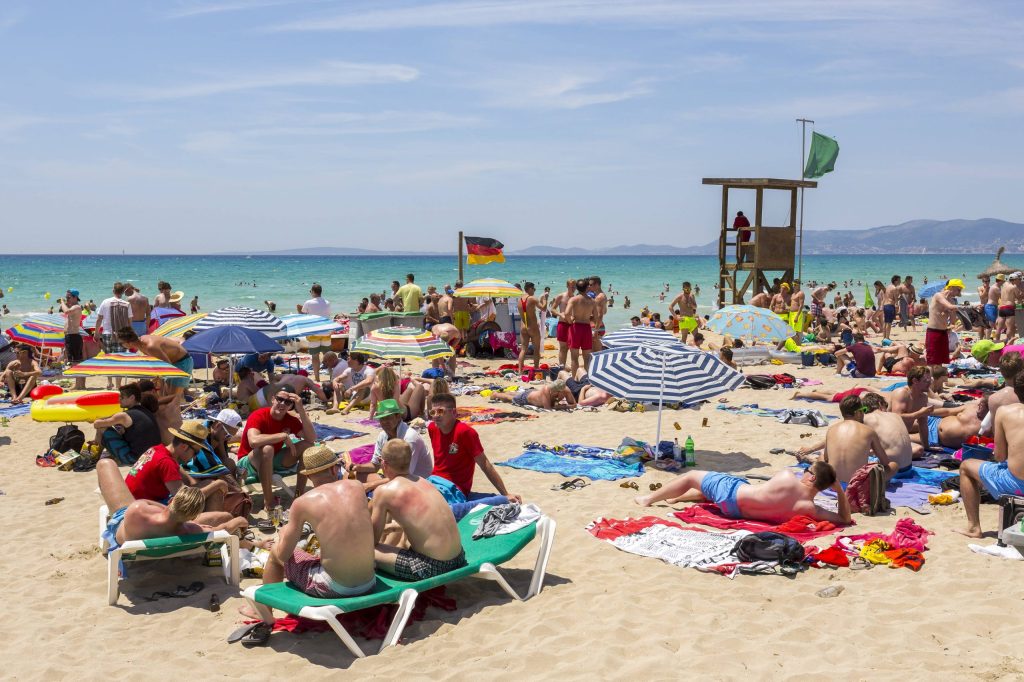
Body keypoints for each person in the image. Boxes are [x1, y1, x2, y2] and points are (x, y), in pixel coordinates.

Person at [261, 445, 376, 598]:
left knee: (276, 552)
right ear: (334, 469)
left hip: (336, 588)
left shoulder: (302, 502)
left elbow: (284, 555)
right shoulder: (356, 487)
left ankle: (263, 610)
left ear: (308, 476)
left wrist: (283, 534)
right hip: (369, 582)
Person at [634, 461, 851, 524]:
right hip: (737, 513)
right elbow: (844, 518)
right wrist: (839, 491)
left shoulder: (786, 476)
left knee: (692, 476)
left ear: (811, 477)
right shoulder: (811, 509)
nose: (803, 471)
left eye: (807, 470)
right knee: (728, 485)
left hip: (731, 495)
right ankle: (677, 497)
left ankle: (649, 499)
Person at [371, 439, 467, 580]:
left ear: (383, 463)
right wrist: (392, 527)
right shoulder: (424, 481)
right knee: (404, 537)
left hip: (434, 567)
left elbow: (372, 540)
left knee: (367, 551)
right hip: (459, 558)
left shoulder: (384, 491)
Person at [97, 469, 244, 556]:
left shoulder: (137, 509)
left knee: (105, 465)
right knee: (226, 517)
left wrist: (172, 512)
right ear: (193, 517)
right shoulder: (190, 531)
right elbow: (219, 531)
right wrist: (239, 521)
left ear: (171, 500)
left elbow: (156, 507)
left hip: (128, 536)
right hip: (172, 532)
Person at [956, 373, 1024, 538]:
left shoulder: (1005, 412)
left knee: (966, 466)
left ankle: (974, 527)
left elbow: (1000, 456)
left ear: (1016, 391)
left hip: (1015, 484)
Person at [427, 393, 521, 503]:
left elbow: (485, 464)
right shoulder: (432, 428)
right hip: (434, 482)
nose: (436, 416)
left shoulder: (465, 432)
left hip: (455, 489)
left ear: (453, 412)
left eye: (440, 411)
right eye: (433, 412)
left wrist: (505, 494)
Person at [236, 389, 316, 508]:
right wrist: (282, 436)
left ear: (290, 406)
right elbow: (253, 441)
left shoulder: (290, 420)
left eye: (288, 402)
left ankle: (298, 495)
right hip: (248, 462)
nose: (283, 403)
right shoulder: (259, 415)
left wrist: (301, 411)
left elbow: (311, 438)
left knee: (307, 446)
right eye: (280, 399)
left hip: (273, 458)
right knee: (267, 448)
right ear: (273, 399)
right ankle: (269, 501)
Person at [123, 420, 226, 512]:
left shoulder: (158, 449)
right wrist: (218, 484)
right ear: (184, 446)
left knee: (210, 484)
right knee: (215, 492)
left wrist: (210, 484)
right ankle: (212, 530)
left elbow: (190, 482)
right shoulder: (166, 462)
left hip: (135, 503)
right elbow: (184, 501)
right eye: (195, 452)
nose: (194, 457)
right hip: (142, 511)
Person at [116, 327, 194, 441]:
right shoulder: (142, 342)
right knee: (165, 398)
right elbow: (159, 364)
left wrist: (160, 381)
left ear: (128, 342)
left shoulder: (150, 346)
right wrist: (157, 380)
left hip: (181, 363)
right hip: (173, 364)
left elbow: (167, 367)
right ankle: (168, 429)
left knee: (172, 401)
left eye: (121, 343)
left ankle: (176, 432)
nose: (121, 346)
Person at [801, 394, 892, 485]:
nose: (864, 413)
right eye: (863, 410)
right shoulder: (869, 431)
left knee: (821, 457)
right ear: (857, 413)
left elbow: (826, 458)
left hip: (834, 482)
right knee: (893, 465)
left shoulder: (832, 429)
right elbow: (885, 461)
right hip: (857, 484)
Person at [345, 399, 433, 491]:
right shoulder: (383, 435)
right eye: (382, 418)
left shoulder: (410, 438)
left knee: (377, 490)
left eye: (388, 418)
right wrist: (357, 467)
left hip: (416, 483)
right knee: (350, 475)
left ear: (398, 416)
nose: (384, 422)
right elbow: (375, 466)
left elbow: (405, 476)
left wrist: (370, 485)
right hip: (396, 477)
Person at [89, 382, 162, 464]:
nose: (119, 399)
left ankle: (95, 457)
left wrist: (99, 419)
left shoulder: (124, 416)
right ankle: (97, 452)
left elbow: (97, 424)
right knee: (118, 429)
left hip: (136, 459)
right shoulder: (144, 410)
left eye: (122, 397)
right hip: (153, 456)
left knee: (102, 428)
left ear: (132, 398)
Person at [909, 398, 987, 452]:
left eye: (982, 405)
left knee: (904, 437)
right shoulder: (971, 407)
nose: (979, 406)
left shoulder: (990, 426)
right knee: (903, 424)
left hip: (935, 438)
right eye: (979, 404)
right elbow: (948, 411)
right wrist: (926, 413)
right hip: (933, 421)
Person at [888, 365, 936, 449]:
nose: (929, 383)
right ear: (915, 381)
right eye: (926, 381)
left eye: (930, 380)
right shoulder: (902, 393)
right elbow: (896, 417)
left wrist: (927, 447)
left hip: (902, 437)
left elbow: (923, 424)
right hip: (888, 435)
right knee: (918, 450)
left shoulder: (923, 398)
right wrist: (919, 413)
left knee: (929, 443)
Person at [297, 283, 331, 381]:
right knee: (328, 356)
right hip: (326, 332)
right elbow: (327, 315)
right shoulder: (327, 302)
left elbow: (303, 316)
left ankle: (317, 378)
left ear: (312, 291)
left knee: (315, 356)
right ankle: (332, 375)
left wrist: (299, 309)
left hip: (314, 332)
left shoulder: (308, 302)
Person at [564, 278, 597, 374]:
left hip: (576, 327)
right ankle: (586, 379)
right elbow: (596, 317)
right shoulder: (592, 301)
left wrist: (570, 321)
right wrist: (595, 329)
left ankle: (574, 379)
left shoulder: (574, 299)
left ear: (577, 288)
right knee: (586, 357)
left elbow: (566, 313)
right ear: (587, 288)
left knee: (574, 357)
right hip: (586, 328)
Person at [926, 279, 963, 365]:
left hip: (944, 332)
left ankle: (940, 377)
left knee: (943, 360)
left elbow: (953, 321)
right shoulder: (938, 295)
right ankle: (932, 377)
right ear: (951, 287)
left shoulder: (952, 301)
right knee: (932, 360)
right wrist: (969, 307)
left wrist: (951, 323)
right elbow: (950, 306)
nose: (959, 292)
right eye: (958, 289)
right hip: (933, 331)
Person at [490, 379, 577, 410]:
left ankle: (503, 392)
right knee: (509, 398)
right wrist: (562, 406)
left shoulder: (566, 390)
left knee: (516, 394)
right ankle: (496, 394)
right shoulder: (546, 389)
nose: (552, 391)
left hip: (533, 394)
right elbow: (548, 408)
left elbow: (574, 404)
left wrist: (564, 406)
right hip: (526, 399)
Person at [517, 282, 541, 376]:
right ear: (530, 289)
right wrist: (545, 299)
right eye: (534, 289)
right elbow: (543, 308)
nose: (534, 291)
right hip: (533, 327)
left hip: (523, 326)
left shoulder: (520, 300)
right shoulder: (532, 299)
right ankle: (536, 368)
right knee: (536, 349)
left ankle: (520, 370)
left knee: (523, 349)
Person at [551, 279, 575, 367]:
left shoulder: (575, 298)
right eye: (571, 286)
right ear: (567, 286)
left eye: (574, 287)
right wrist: (559, 313)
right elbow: (552, 309)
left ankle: (571, 367)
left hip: (572, 324)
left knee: (572, 348)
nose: (573, 288)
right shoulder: (561, 296)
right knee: (563, 347)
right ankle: (561, 367)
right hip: (562, 324)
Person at [59, 289, 85, 371]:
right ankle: (78, 380)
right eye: (66, 297)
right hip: (70, 336)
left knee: (75, 362)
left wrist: (62, 302)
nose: (67, 299)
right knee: (71, 361)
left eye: (68, 297)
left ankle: (79, 381)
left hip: (73, 336)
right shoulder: (73, 307)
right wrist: (65, 303)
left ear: (75, 297)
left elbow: (66, 311)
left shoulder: (77, 307)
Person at [588, 276, 608, 352]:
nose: (589, 286)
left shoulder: (599, 297)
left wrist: (596, 331)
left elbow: (600, 315)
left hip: (596, 327)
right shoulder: (602, 295)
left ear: (597, 285)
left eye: (591, 284)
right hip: (599, 326)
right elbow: (605, 311)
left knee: (593, 353)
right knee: (594, 352)